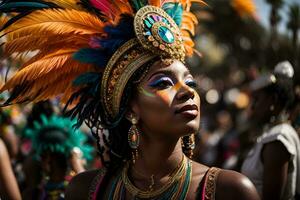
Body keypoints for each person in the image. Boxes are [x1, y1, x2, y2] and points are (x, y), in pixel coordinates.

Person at [0, 0, 259, 199]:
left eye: (190, 81)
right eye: (164, 83)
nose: (187, 91)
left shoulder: (230, 191)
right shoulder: (86, 190)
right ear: (130, 109)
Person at [241, 61, 300, 200]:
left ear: (273, 100)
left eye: (256, 100)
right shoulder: (271, 133)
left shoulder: (278, 137)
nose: (253, 107)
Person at [21, 114, 93, 200]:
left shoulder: (34, 194)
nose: (39, 160)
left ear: (48, 159)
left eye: (42, 156)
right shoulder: (36, 193)